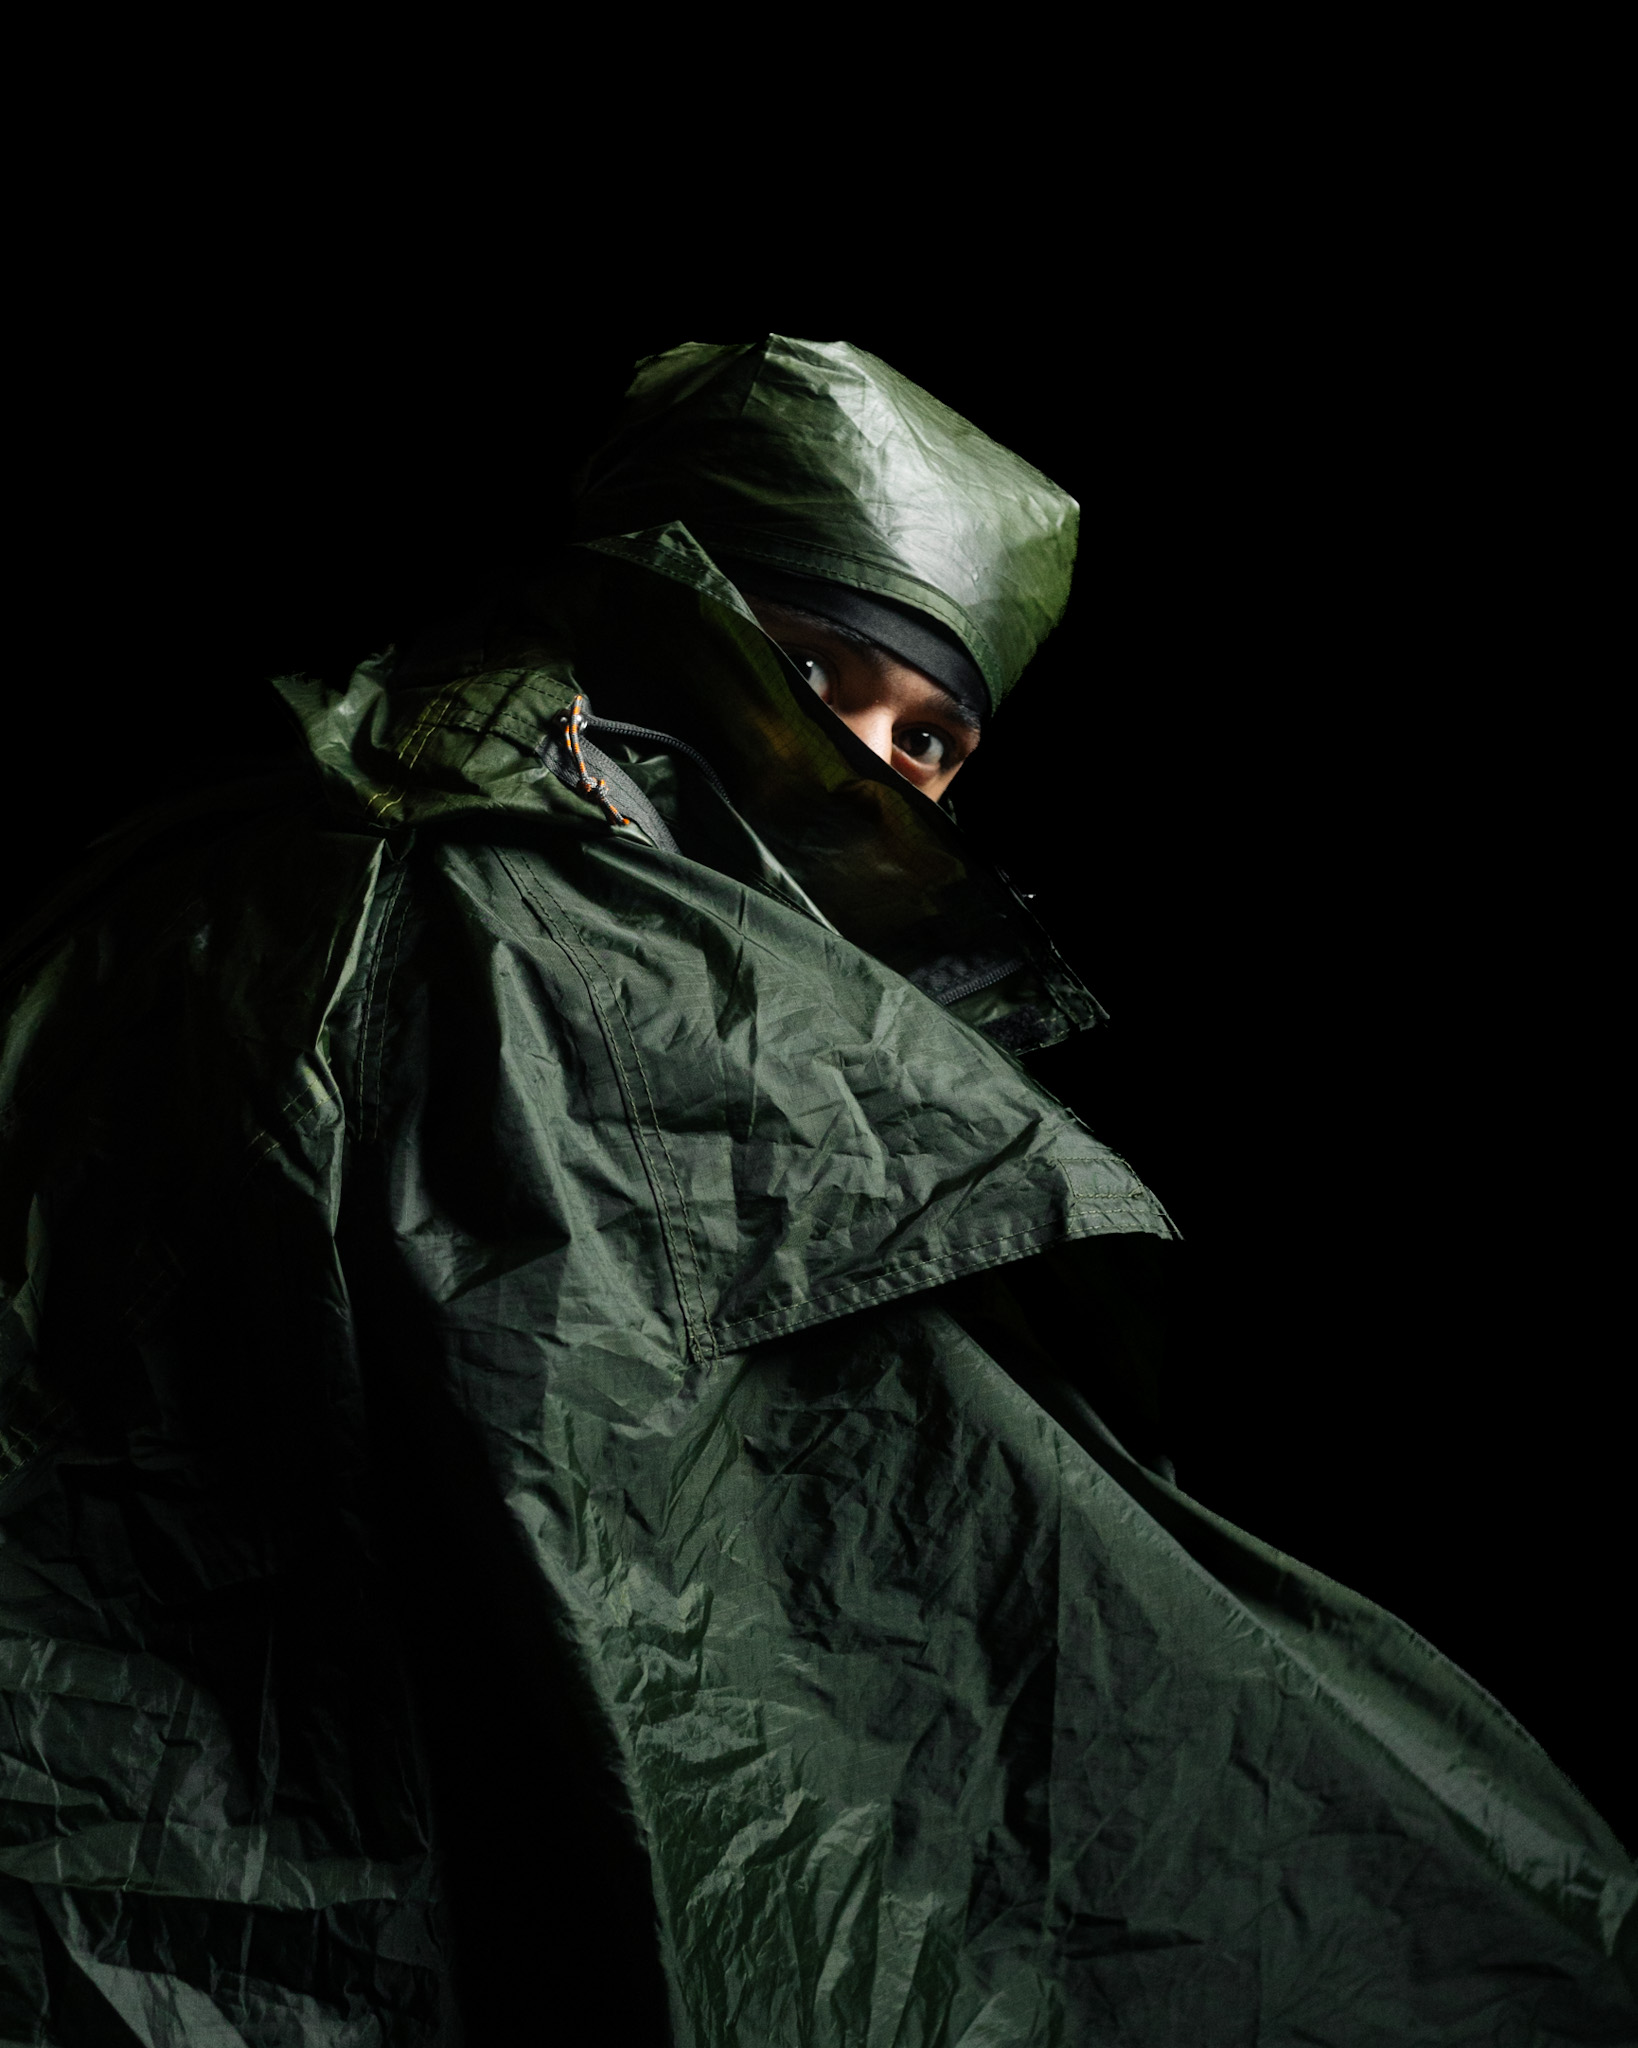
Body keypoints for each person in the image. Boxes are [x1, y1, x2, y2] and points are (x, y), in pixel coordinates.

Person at [0, 335, 1631, 2046]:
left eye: (925, 739)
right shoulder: (470, 923)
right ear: (629, 618)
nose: (851, 759)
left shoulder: (329, 883)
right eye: (799, 667)